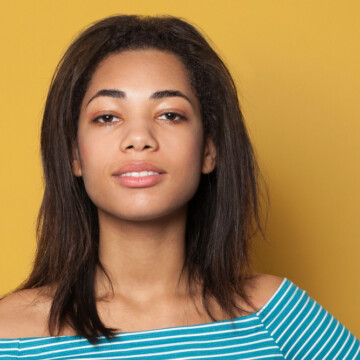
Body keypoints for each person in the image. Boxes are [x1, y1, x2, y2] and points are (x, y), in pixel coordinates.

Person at [0, 14, 359, 359]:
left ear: (208, 150)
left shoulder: (277, 315)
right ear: (75, 156)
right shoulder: (9, 332)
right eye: (107, 117)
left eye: (170, 114)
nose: (139, 138)